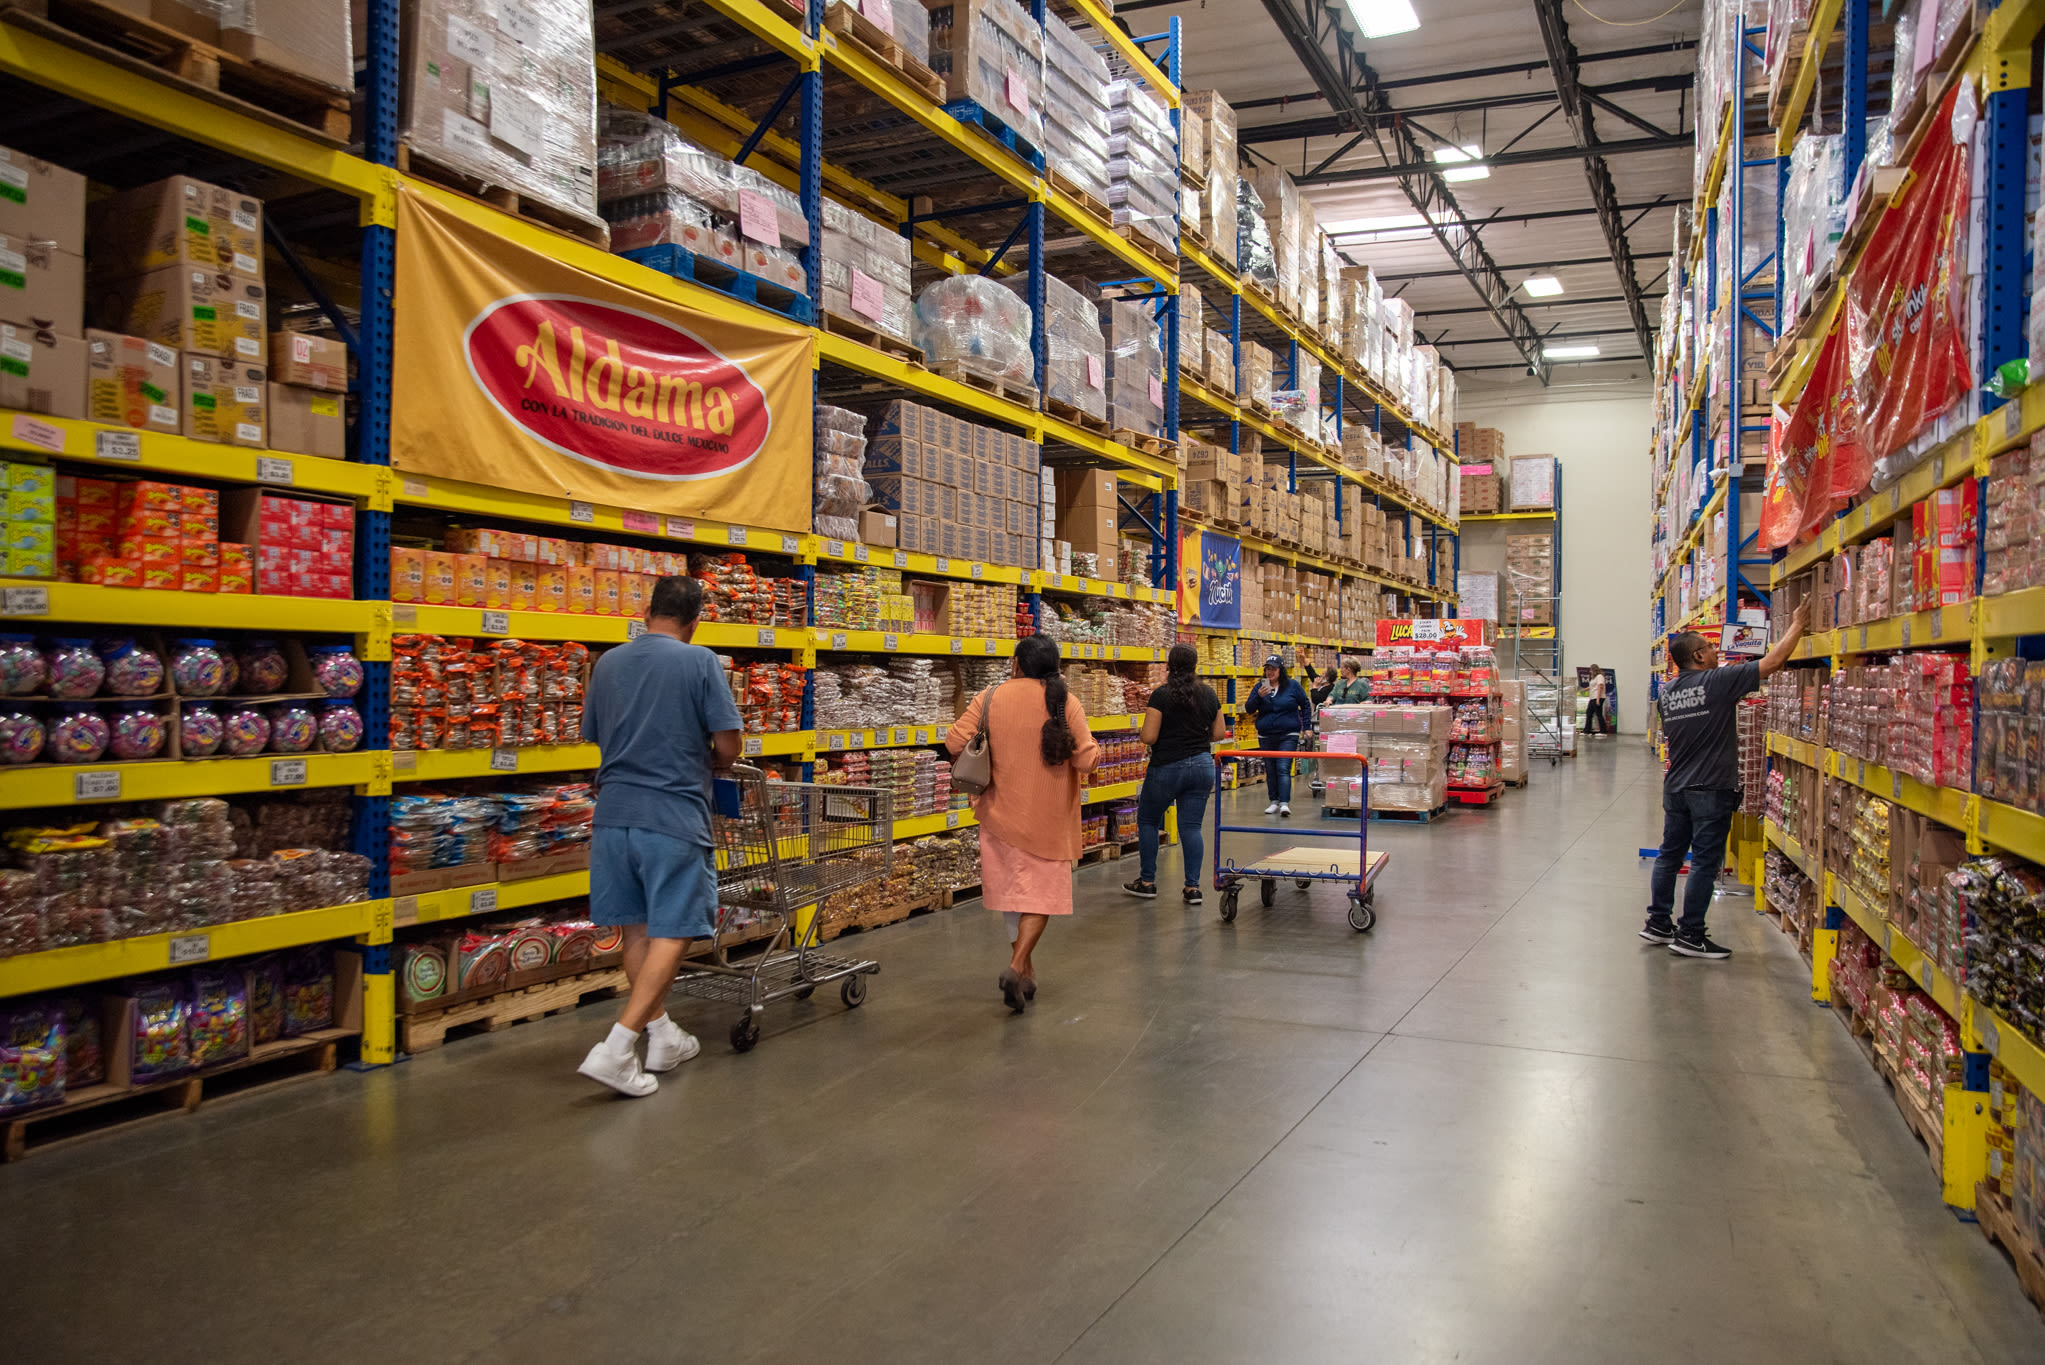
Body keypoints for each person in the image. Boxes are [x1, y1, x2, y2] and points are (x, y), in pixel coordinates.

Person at [575, 575, 743, 1097]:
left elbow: (594, 733)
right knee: (674, 931)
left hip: (613, 817)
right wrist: (713, 759)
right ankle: (618, 1047)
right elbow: (729, 742)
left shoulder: (608, 663)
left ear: (648, 613)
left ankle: (662, 1033)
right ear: (695, 621)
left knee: (637, 932)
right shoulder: (699, 662)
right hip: (671, 815)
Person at [1643, 601, 1810, 959]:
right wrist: (1797, 624)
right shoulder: (1718, 681)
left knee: (1669, 856)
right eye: (1708, 646)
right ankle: (1691, 934)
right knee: (1704, 860)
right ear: (1698, 656)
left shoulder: (1668, 693)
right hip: (1710, 788)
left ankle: (1658, 923)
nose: (1715, 650)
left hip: (1676, 786)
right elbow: (1772, 663)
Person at [946, 634, 1100, 1013]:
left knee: (1014, 895)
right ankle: (1019, 967)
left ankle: (1025, 969)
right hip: (1049, 819)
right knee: (1040, 896)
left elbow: (953, 742)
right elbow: (1086, 760)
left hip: (999, 812)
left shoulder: (990, 697)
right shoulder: (1067, 703)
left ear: (1016, 664)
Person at [1124, 643, 1229, 904]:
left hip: (1167, 766)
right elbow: (1219, 733)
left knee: (1148, 820)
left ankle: (1147, 882)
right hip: (1202, 766)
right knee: (1191, 827)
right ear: (1195, 666)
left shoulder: (1161, 695)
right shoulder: (1208, 694)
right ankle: (1192, 888)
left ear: (1169, 665)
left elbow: (1149, 736)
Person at [1243, 653, 1310, 816]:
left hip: (1288, 733)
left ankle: (1284, 803)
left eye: (1273, 669)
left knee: (1283, 767)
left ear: (1281, 670)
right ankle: (1274, 801)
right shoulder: (1260, 687)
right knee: (1271, 769)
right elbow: (1249, 708)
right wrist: (1259, 697)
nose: (1270, 672)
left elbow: (1305, 705)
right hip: (1266, 734)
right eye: (1267, 669)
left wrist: (1306, 727)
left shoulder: (1293, 686)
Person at [1300, 648, 1369, 706]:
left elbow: (1369, 699)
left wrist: (1365, 703)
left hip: (1354, 717)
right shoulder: (1339, 684)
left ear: (1348, 669)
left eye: (1342, 668)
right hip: (1339, 717)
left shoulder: (1362, 684)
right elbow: (1332, 695)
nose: (1341, 670)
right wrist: (1328, 701)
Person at [1584, 667, 1611, 736]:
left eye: (1591, 670)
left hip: (1598, 697)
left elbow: (1600, 687)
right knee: (1589, 713)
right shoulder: (1594, 678)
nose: (1590, 672)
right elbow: (1593, 687)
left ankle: (1603, 731)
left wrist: (1598, 699)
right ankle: (1587, 731)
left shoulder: (1600, 676)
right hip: (1593, 697)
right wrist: (1585, 689)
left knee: (1598, 713)